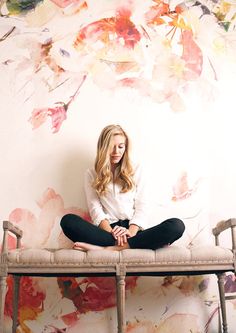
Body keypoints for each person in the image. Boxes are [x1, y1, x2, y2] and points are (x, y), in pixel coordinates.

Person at [60, 124, 185, 251]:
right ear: (103, 148)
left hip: (133, 230)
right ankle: (127, 245)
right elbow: (95, 209)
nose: (116, 152)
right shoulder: (91, 174)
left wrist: (130, 232)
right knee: (68, 221)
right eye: (111, 147)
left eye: (121, 146)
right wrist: (112, 232)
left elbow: (143, 205)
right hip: (107, 232)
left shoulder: (137, 170)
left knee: (176, 226)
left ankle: (109, 249)